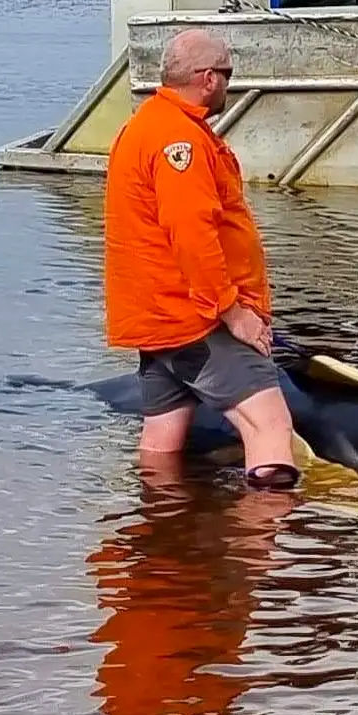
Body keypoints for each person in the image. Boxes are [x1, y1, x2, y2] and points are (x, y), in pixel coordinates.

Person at [104, 28, 301, 490]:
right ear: (208, 78)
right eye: (228, 75)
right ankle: (260, 553)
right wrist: (233, 313)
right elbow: (192, 235)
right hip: (194, 320)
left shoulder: (144, 126)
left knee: (162, 443)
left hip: (157, 323)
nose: (229, 87)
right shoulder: (182, 143)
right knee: (271, 428)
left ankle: (160, 541)